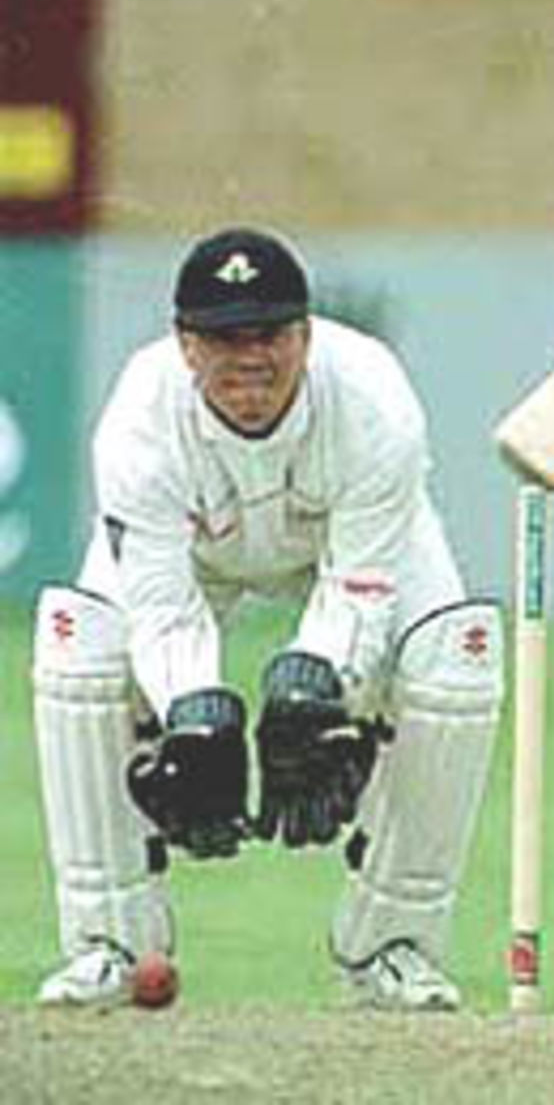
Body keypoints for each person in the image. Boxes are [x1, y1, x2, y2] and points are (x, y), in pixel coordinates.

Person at [32, 227, 503, 1010]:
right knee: (78, 646)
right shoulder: (140, 419)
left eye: (271, 334)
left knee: (459, 657)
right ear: (186, 346)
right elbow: (160, 607)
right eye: (225, 338)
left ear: (307, 336)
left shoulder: (374, 402)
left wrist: (317, 689)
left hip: (348, 553)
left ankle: (392, 947)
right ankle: (110, 943)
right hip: (197, 560)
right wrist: (195, 714)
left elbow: (360, 587)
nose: (251, 357)